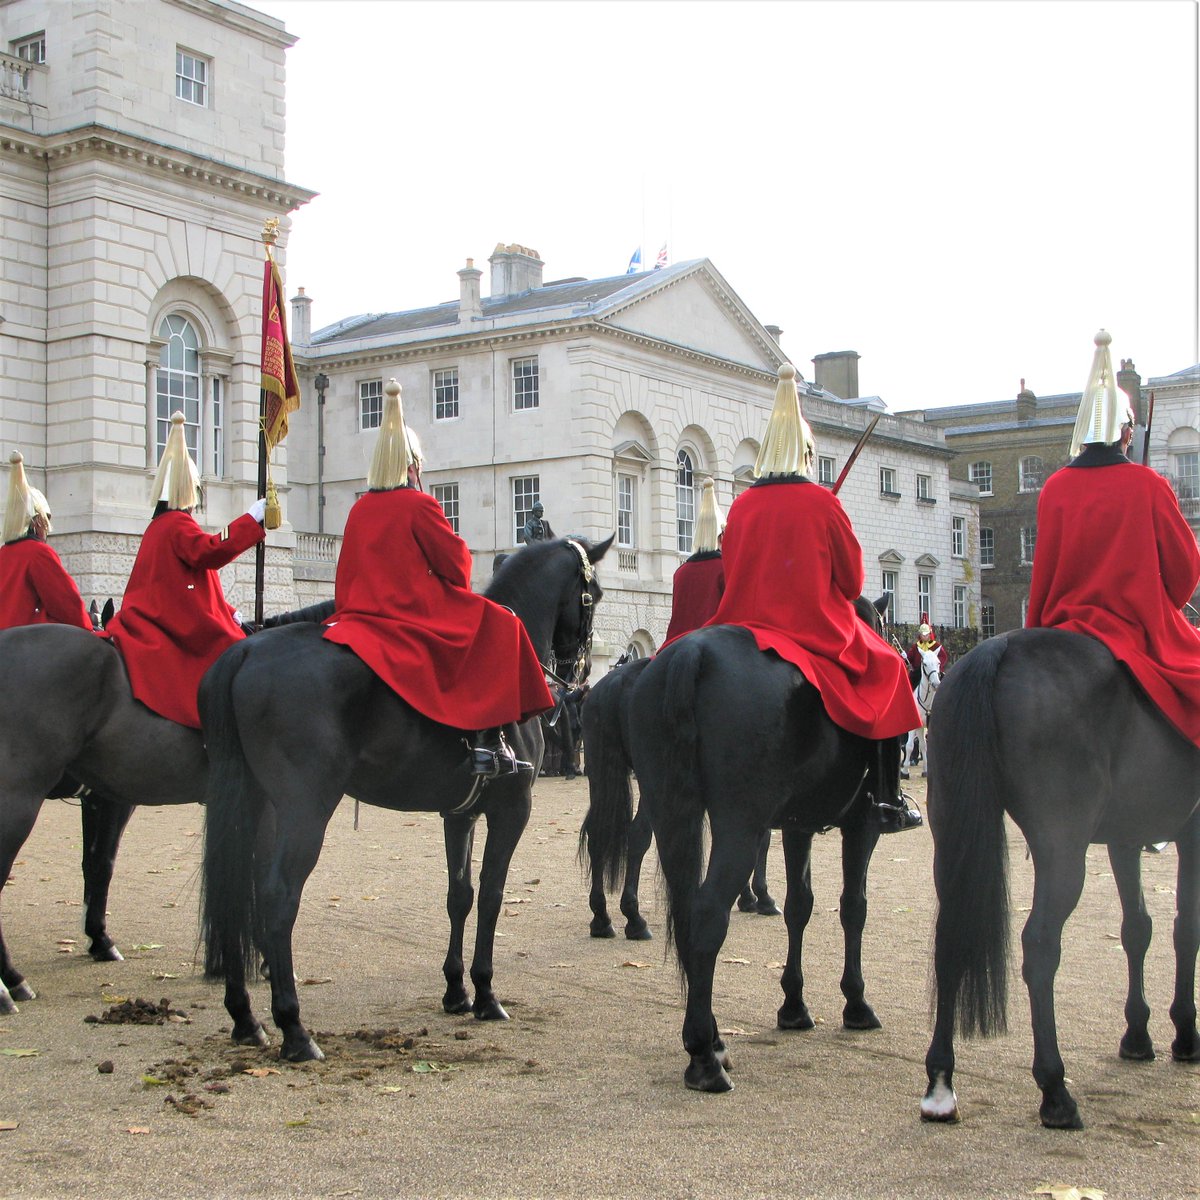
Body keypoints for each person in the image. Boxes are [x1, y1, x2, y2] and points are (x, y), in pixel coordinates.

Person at [702, 364, 923, 832]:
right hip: (810, 629)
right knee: (888, 669)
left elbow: (732, 572)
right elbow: (851, 581)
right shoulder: (823, 503)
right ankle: (887, 795)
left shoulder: (741, 506)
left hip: (742, 628)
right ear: (806, 450)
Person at [323, 379, 554, 778]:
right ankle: (487, 741)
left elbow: (347, 575)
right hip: (413, 612)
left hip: (360, 616)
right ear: (412, 466)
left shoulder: (359, 510)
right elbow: (457, 570)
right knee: (503, 623)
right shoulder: (419, 504)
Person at [1027, 329, 1200, 750]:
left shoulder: (1054, 489)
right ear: (1126, 433)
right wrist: (1161, 604)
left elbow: (1044, 576)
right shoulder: (1148, 485)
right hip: (1138, 631)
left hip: (1064, 630)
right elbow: (1186, 571)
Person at [102, 412, 266, 728]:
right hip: (179, 622)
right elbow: (210, 553)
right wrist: (249, 520)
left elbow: (191, 580)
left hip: (156, 615)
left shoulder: (157, 526)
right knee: (238, 656)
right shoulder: (178, 524)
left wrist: (227, 609)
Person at [0, 451, 93, 631]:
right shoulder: (38, 552)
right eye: (46, 519)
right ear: (37, 520)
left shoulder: (3, 553)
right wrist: (88, 629)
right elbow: (66, 603)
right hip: (26, 643)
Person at [662, 478, 725, 646]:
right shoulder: (725, 568)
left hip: (675, 645)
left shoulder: (680, 572)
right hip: (715, 643)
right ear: (721, 536)